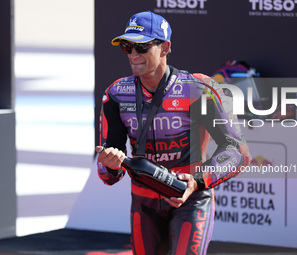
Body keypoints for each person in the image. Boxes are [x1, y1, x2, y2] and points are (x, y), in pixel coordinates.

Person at [95, 11, 251, 255]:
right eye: (127, 47)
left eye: (142, 46)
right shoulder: (116, 94)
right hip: (143, 202)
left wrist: (197, 182)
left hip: (191, 199)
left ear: (165, 47)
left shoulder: (200, 89)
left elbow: (238, 152)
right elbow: (107, 173)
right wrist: (111, 164)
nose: (134, 55)